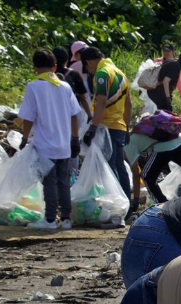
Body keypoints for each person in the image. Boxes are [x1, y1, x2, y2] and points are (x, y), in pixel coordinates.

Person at [18, 49, 83, 230]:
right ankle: (66, 219)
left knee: (49, 182)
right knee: (63, 181)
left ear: (35, 68)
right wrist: (75, 138)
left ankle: (49, 220)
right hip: (64, 145)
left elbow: (29, 117)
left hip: (45, 145)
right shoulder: (65, 87)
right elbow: (75, 115)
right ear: (55, 67)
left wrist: (24, 138)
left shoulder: (34, 87)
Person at [79, 47, 133, 212]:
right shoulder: (120, 74)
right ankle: (127, 205)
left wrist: (92, 128)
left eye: (87, 68)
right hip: (119, 127)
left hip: (106, 128)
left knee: (108, 169)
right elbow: (129, 104)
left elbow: (101, 102)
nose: (88, 71)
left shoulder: (102, 74)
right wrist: (127, 126)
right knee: (119, 166)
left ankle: (116, 207)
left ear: (88, 61)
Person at [52, 46, 91, 120]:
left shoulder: (48, 75)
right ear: (66, 61)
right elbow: (83, 98)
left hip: (54, 113)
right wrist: (89, 114)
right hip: (73, 114)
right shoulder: (74, 74)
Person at [146, 44, 181, 113]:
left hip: (166, 91)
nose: (166, 53)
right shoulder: (158, 61)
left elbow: (179, 80)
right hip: (155, 90)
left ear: (173, 52)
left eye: (168, 51)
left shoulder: (175, 64)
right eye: (164, 51)